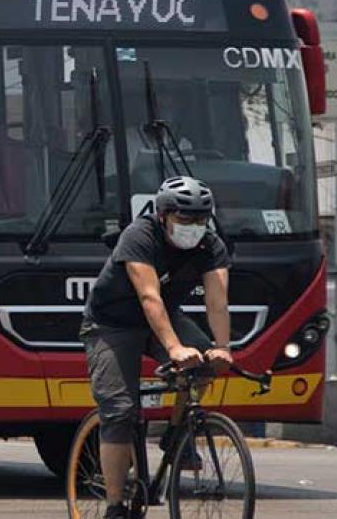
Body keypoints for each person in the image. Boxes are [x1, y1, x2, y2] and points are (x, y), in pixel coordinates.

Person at [79, 176, 234, 518]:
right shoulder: (139, 236)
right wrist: (174, 348)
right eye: (184, 219)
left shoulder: (211, 246)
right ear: (163, 215)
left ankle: (176, 436)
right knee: (119, 411)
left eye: (200, 220)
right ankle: (116, 505)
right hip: (112, 324)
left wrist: (222, 347)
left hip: (163, 318)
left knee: (205, 361)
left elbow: (217, 301)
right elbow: (149, 297)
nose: (193, 227)